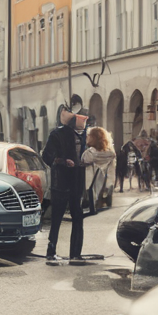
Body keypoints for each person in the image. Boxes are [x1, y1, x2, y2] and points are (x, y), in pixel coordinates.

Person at [41, 107, 96, 263]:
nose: (84, 121)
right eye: (81, 118)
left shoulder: (87, 136)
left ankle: (75, 254)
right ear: (73, 120)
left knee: (78, 217)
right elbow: (46, 157)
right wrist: (63, 161)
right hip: (61, 182)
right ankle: (51, 252)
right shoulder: (57, 134)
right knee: (57, 217)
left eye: (85, 119)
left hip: (77, 181)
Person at [81, 127, 115, 215]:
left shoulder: (89, 153)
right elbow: (112, 172)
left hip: (89, 188)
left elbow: (84, 160)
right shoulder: (111, 154)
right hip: (103, 188)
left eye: (89, 136)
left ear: (93, 138)